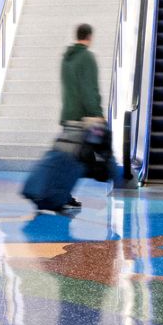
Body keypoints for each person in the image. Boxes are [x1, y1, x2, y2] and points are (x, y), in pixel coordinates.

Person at [58, 22, 107, 209]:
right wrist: (98, 114)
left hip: (68, 116)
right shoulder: (87, 57)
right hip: (81, 119)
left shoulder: (66, 58)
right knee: (76, 161)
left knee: (69, 159)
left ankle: (63, 195)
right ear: (89, 37)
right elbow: (89, 90)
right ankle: (61, 195)